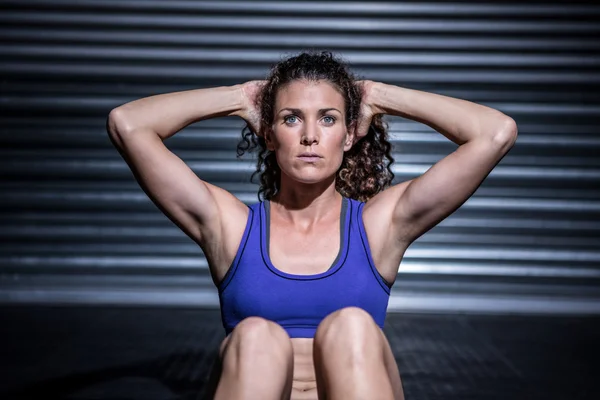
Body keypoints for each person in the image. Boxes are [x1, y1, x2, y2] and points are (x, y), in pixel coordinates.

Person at [106, 51, 517, 400]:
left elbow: (495, 133)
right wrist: (241, 97)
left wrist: (376, 95)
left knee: (351, 326)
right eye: (290, 119)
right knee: (256, 336)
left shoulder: (379, 226)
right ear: (269, 134)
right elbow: (128, 124)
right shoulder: (231, 227)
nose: (309, 136)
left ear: (349, 134)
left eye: (327, 119)